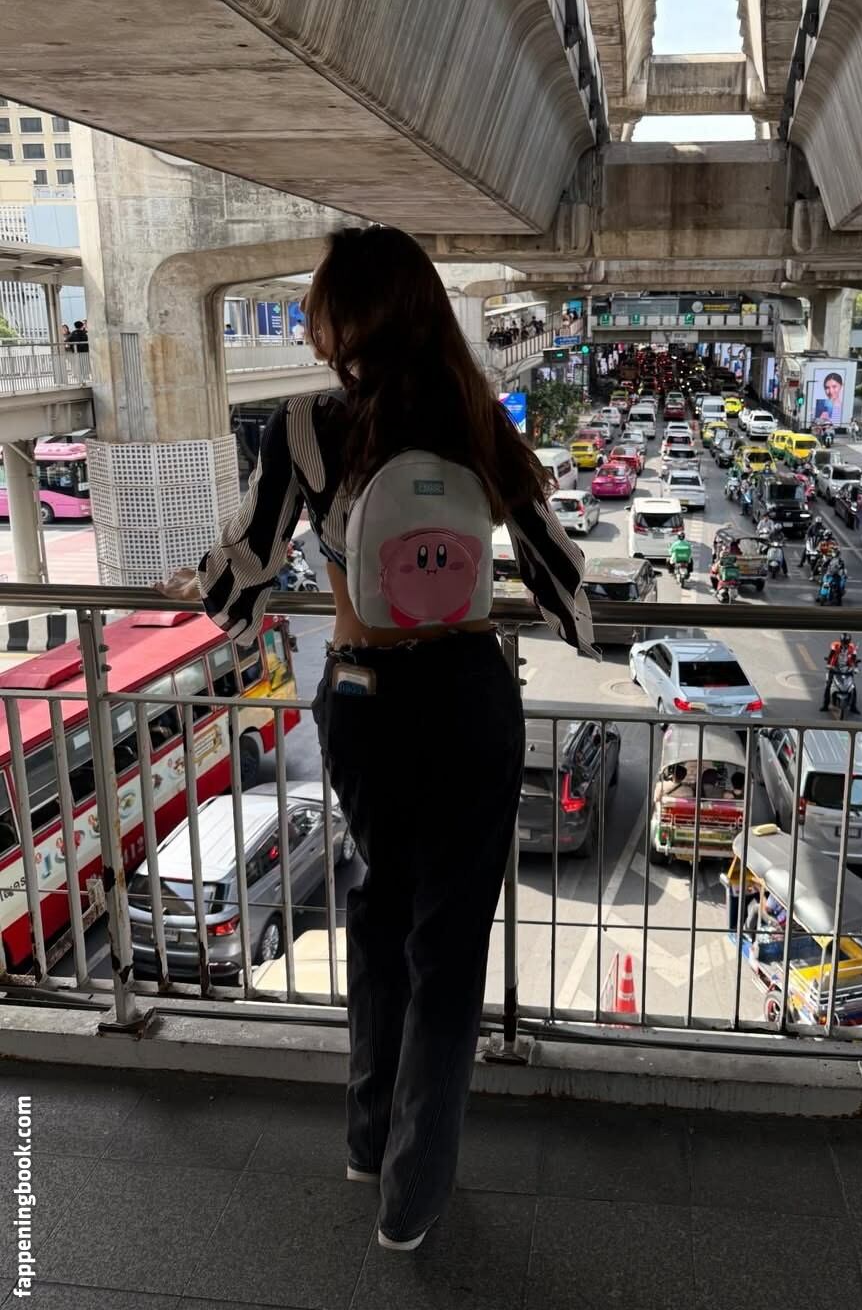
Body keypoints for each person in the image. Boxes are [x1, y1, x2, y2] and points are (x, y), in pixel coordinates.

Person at [156, 226, 598, 1252]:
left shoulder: (307, 427)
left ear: (344, 323)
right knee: (450, 953)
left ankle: (365, 1140)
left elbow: (243, 573)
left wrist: (200, 587)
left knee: (379, 912)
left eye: (317, 310)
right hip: (470, 699)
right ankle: (411, 1198)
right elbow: (564, 584)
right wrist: (572, 620)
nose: (311, 328)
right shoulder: (477, 421)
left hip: (364, 700)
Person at [821, 632, 860, 713]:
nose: (845, 645)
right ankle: (825, 705)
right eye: (843, 643)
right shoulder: (835, 646)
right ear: (841, 641)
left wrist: (855, 668)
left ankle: (853, 707)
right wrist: (828, 664)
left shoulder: (852, 648)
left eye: (846, 643)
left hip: (847, 669)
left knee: (853, 688)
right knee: (829, 686)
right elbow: (830, 656)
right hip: (835, 668)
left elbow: (854, 659)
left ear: (849, 642)